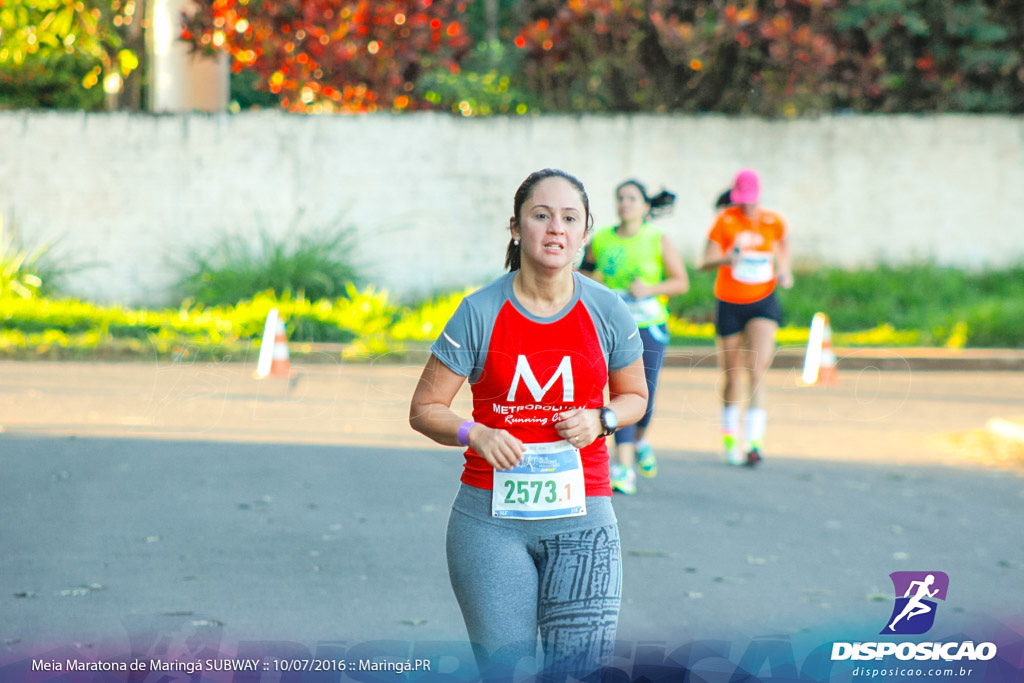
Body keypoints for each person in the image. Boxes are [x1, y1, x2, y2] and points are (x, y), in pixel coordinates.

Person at [409, 169, 648, 680]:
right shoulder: (479, 312)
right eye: (541, 216)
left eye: (569, 218)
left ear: (585, 232)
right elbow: (425, 407)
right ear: (516, 228)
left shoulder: (608, 309)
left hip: (584, 520)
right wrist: (475, 432)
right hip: (490, 527)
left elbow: (635, 398)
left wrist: (602, 418)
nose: (555, 229)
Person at [578, 179, 690, 495]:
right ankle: (624, 467)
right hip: (613, 327)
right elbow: (582, 274)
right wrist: (596, 282)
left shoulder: (656, 238)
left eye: (631, 198)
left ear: (644, 206)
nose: (625, 203)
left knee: (646, 396)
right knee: (621, 394)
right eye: (620, 198)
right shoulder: (602, 240)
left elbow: (681, 282)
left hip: (650, 325)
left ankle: (641, 440)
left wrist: (649, 289)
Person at [699, 168, 793, 467]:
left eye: (751, 200)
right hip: (729, 301)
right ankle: (730, 436)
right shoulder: (724, 222)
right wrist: (728, 258)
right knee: (732, 373)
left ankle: (754, 441)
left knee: (758, 366)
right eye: (743, 200)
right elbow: (704, 262)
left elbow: (784, 243)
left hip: (763, 300)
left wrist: (784, 269)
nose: (747, 206)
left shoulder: (773, 221)